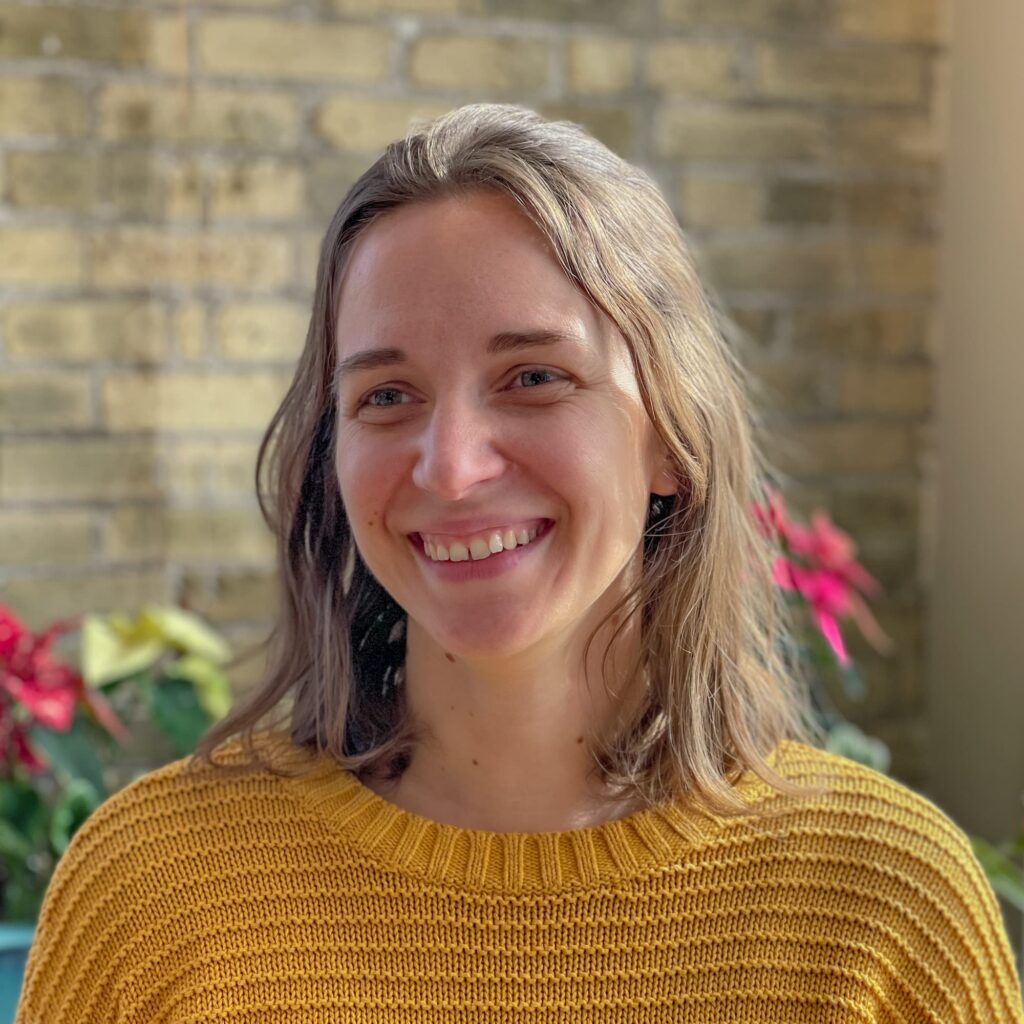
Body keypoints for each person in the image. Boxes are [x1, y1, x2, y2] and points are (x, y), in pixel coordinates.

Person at [16, 104, 1024, 1023]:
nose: (450, 467)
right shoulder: (151, 894)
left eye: (533, 377)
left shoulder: (888, 914)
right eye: (385, 396)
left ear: (670, 433)